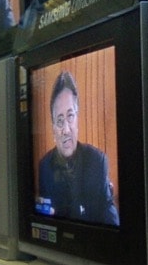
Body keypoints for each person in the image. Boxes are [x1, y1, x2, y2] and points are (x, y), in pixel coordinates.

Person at [37, 71, 118, 225]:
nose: (66, 129)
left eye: (70, 116)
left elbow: (111, 222)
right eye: (59, 121)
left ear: (77, 118)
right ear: (53, 127)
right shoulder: (44, 168)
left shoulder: (97, 162)